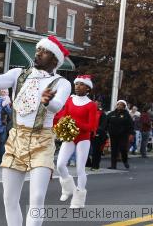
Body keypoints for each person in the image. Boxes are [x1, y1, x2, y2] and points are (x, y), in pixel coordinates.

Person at [0, 35, 71, 226]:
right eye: (38, 50)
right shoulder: (18, 74)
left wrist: (48, 102)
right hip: (16, 139)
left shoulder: (62, 83)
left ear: (55, 59)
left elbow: (57, 105)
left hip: (42, 141)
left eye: (44, 51)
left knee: (37, 198)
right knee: (9, 199)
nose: (38, 53)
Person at [54, 75, 97, 208]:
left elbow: (91, 127)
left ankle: (78, 199)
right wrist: (57, 121)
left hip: (83, 139)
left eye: (81, 84)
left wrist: (74, 122)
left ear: (88, 88)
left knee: (80, 169)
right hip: (70, 136)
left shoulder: (91, 105)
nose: (77, 86)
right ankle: (68, 188)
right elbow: (63, 115)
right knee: (60, 165)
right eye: (76, 84)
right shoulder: (70, 100)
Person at [106, 100, 133, 170]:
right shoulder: (111, 114)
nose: (119, 106)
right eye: (118, 104)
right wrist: (105, 130)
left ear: (124, 106)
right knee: (114, 150)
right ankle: (113, 165)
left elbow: (130, 125)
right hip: (113, 135)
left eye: (121, 105)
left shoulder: (126, 115)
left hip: (123, 135)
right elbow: (106, 123)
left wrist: (131, 133)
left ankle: (125, 161)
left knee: (123, 149)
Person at [91, 99, 107, 170]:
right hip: (90, 133)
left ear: (99, 105)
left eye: (97, 104)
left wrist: (98, 132)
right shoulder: (90, 112)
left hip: (98, 135)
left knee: (96, 151)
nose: (95, 105)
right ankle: (88, 164)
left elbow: (103, 125)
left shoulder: (102, 114)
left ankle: (95, 165)